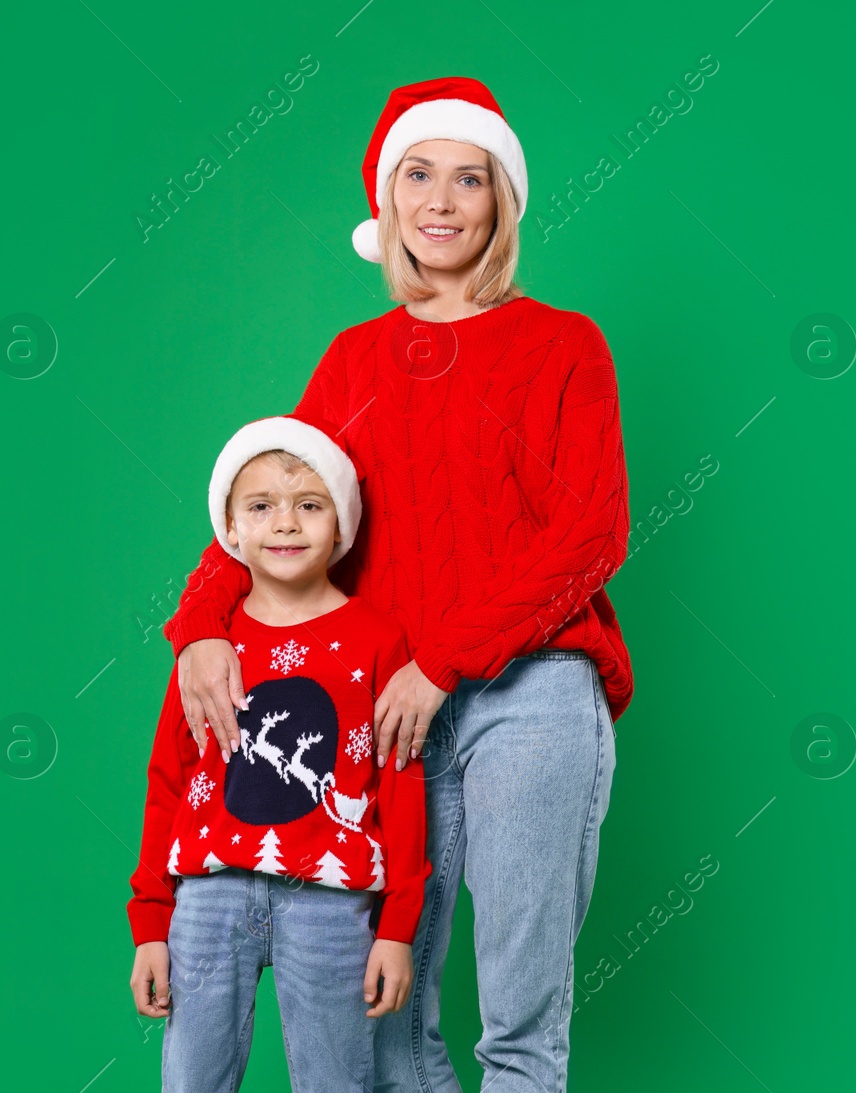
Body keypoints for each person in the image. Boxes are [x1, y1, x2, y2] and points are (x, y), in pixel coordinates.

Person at [164, 76, 632, 1093]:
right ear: (386, 201)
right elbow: (279, 502)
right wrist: (201, 621)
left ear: (499, 202)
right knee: (377, 1016)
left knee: (516, 1017)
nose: (441, 199)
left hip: (532, 694)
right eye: (417, 174)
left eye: (469, 178)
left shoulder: (564, 344)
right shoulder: (356, 360)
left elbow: (590, 536)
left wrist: (446, 659)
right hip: (379, 713)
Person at [128, 410, 430, 1092]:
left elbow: (402, 783)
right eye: (261, 506)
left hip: (330, 900)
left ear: (341, 524)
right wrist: (151, 919)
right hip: (208, 896)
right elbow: (168, 776)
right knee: (192, 1080)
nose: (286, 523)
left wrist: (398, 926)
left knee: (335, 1080)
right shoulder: (207, 648)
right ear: (231, 527)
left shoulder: (381, 639)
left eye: (309, 504)